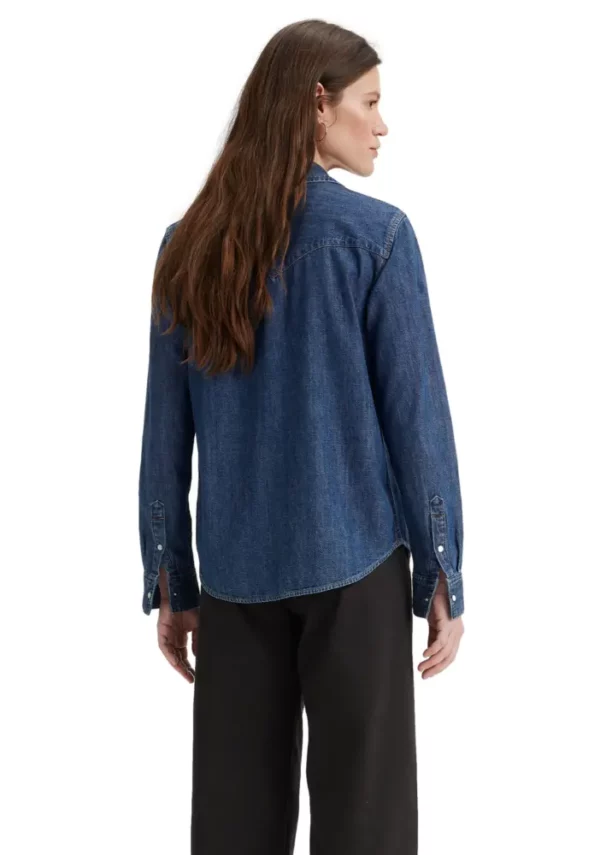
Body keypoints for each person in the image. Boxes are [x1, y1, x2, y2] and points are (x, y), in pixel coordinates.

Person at [138, 17, 465, 855]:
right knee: (368, 831)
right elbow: (417, 421)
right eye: (370, 103)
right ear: (319, 103)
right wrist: (441, 568)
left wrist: (173, 579)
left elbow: (164, 437)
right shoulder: (378, 240)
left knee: (234, 831)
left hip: (234, 581)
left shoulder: (188, 247)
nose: (383, 125)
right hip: (355, 572)